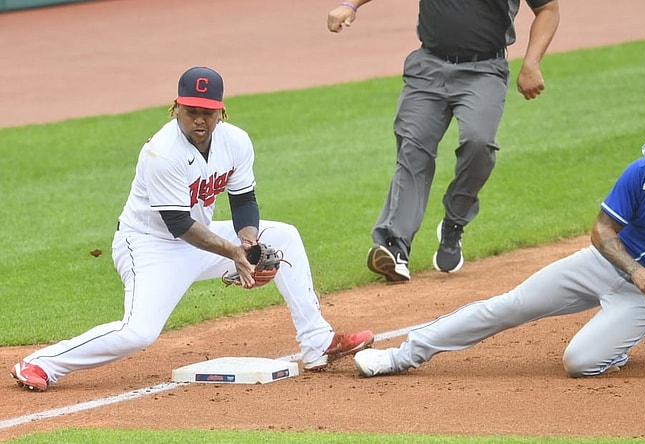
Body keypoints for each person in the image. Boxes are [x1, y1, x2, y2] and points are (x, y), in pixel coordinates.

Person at [10, 66, 374, 392]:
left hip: (200, 239)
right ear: (176, 108)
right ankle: (42, 363)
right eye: (191, 111)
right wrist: (233, 253)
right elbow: (178, 224)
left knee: (283, 236)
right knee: (138, 333)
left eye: (207, 112)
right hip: (150, 246)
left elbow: (244, 199)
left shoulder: (236, 141)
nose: (199, 120)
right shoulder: (161, 153)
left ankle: (317, 344)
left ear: (221, 111)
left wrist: (248, 243)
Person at [352, 112, 645, 378]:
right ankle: (401, 356)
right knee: (509, 305)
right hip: (604, 266)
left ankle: (623, 339)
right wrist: (633, 269)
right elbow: (600, 232)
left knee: (580, 365)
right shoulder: (641, 174)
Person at [327, 0, 560, 282]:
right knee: (414, 149)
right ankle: (394, 247)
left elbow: (547, 9)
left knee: (479, 144)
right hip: (428, 65)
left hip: (485, 69)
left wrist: (531, 63)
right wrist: (350, 5)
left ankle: (454, 222)